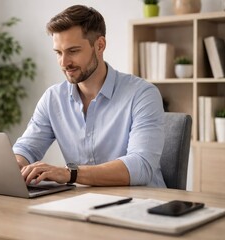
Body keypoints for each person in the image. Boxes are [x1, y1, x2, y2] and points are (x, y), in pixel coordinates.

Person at [12, 5, 166, 187]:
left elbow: (141, 166)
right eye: (58, 53)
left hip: (141, 206)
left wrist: (70, 173)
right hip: (83, 204)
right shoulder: (53, 98)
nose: (64, 62)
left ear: (100, 45)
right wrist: (17, 164)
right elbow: (26, 148)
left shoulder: (142, 94)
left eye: (73, 51)